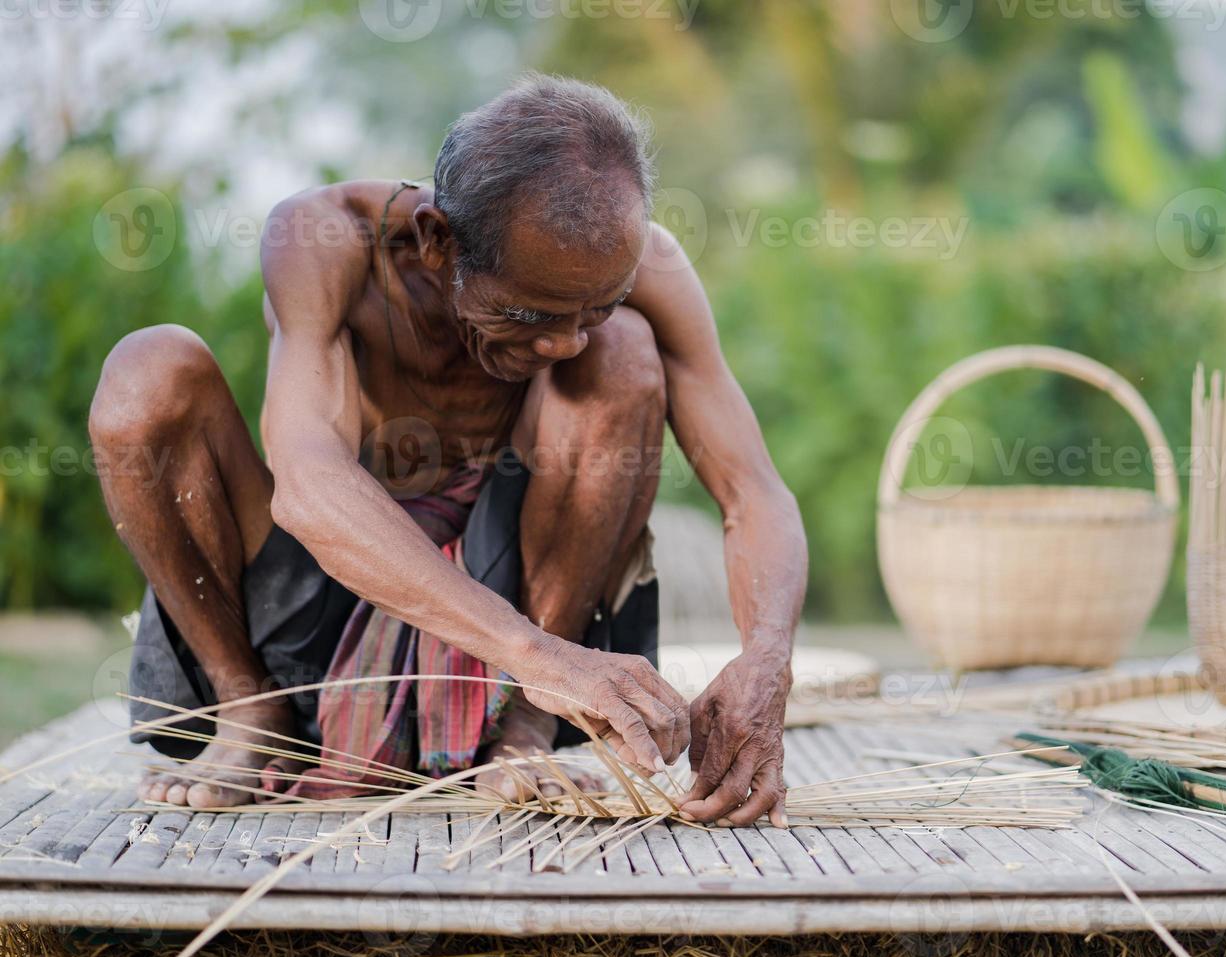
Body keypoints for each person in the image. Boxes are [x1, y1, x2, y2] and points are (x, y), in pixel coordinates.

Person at [88, 74, 807, 828]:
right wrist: (536, 656)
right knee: (148, 370)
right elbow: (307, 486)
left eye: (592, 306)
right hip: (322, 592)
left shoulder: (646, 270)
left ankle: (521, 729)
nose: (564, 341)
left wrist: (767, 661)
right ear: (436, 241)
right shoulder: (327, 242)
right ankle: (248, 710)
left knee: (625, 352)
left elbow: (753, 489)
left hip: (523, 588)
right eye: (527, 312)